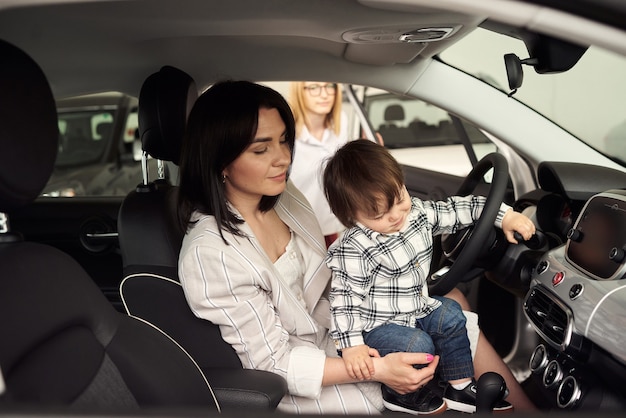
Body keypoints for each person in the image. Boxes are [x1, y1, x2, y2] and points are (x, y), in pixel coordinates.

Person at [176, 80, 535, 414]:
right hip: (313, 376)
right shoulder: (213, 254)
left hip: (345, 327)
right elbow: (274, 364)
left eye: (284, 140)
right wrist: (374, 368)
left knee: (455, 311)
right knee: (430, 342)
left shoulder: (283, 198)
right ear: (220, 160)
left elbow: (334, 263)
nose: (283, 158)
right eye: (261, 149)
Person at [323, 139, 536, 414]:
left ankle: (459, 387)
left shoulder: (417, 214)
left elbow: (461, 209)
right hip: (375, 327)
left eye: (399, 199)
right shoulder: (355, 248)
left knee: (451, 313)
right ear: (350, 216)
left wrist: (505, 216)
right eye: (379, 213)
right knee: (418, 345)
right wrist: (352, 347)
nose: (395, 215)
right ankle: (400, 394)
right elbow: (344, 301)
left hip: (415, 310)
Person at [288, 81, 348, 248]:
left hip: (334, 227)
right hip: (298, 231)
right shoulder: (287, 131)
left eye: (330, 86)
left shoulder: (341, 122)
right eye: (314, 87)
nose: (324, 94)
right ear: (300, 92)